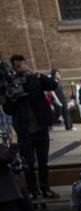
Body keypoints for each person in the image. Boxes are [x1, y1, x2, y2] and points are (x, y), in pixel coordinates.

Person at [2, 55, 59, 199]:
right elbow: (8, 110)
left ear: (25, 64)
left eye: (22, 65)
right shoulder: (11, 83)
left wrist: (34, 74)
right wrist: (11, 99)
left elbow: (53, 85)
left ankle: (46, 189)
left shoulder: (35, 79)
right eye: (17, 66)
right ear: (13, 67)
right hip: (24, 130)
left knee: (43, 162)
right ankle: (33, 190)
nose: (20, 68)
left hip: (40, 128)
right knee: (28, 163)